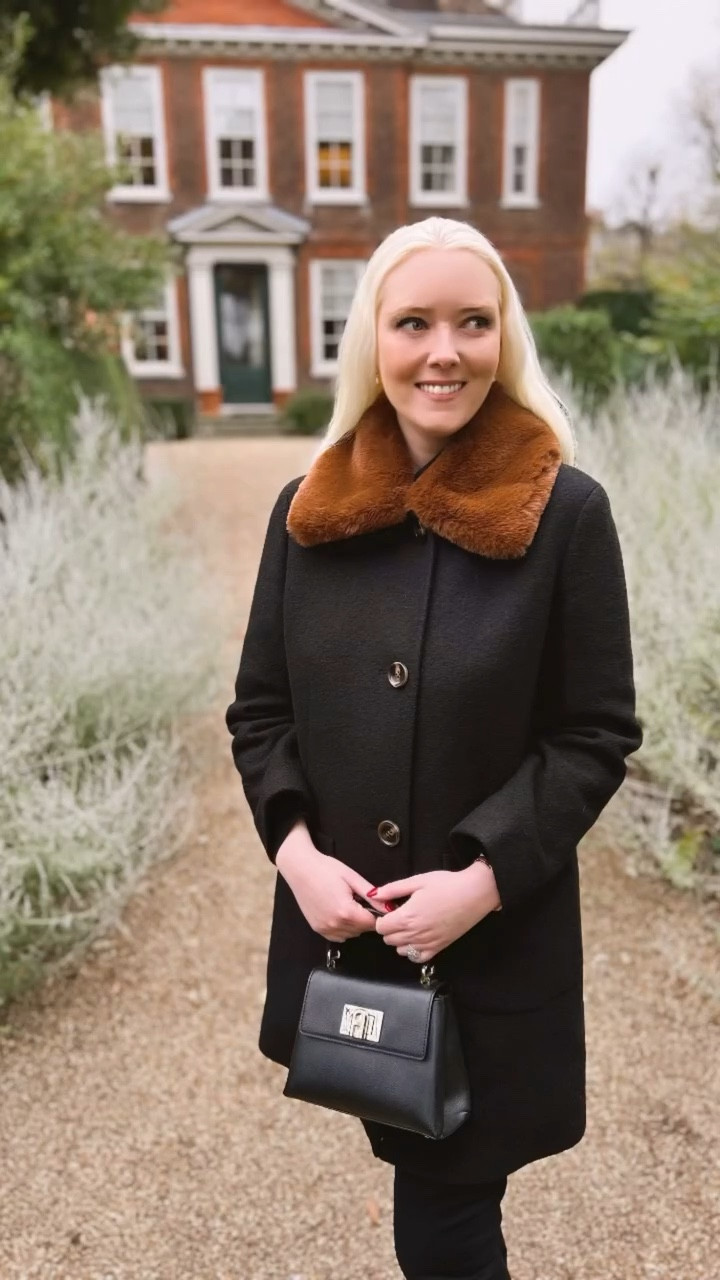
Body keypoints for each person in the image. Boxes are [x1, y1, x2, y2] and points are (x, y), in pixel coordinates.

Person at [225, 216, 642, 1280]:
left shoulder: (566, 514)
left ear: (506, 337)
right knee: (426, 1183)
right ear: (373, 337)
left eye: (473, 322)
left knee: (445, 1219)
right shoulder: (306, 513)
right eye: (413, 323)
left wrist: (481, 882)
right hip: (350, 942)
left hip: (492, 950)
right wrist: (298, 858)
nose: (444, 351)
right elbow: (260, 714)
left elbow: (595, 733)